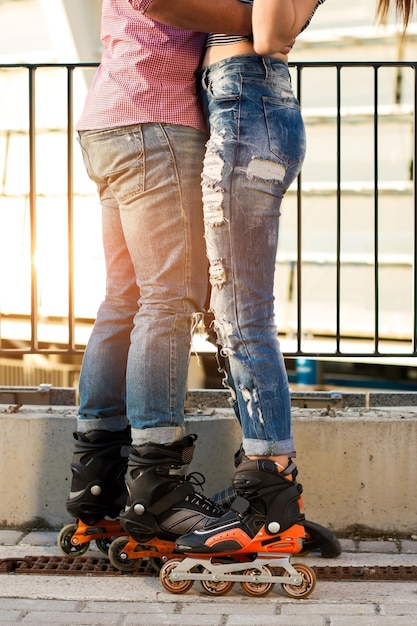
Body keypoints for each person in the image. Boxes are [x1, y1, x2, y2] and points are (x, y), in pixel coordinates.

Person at [66, 0, 254, 541]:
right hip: (157, 122)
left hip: (108, 121)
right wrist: (248, 21)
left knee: (123, 300)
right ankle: (158, 489)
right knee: (168, 299)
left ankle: (96, 486)